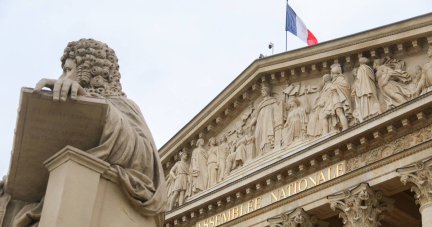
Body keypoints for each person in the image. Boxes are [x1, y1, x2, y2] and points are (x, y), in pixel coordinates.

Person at [14, 39, 167, 226]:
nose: (61, 78)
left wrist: (97, 108)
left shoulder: (121, 107)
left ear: (88, 74)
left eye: (68, 70)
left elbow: (145, 161)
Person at [320, 63, 352, 133]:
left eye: (331, 72)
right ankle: (326, 134)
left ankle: (345, 128)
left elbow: (345, 87)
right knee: (326, 115)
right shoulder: (333, 81)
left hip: (337, 99)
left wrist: (334, 87)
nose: (331, 74)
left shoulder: (340, 78)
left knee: (339, 112)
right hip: (332, 101)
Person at [250, 85, 278, 156]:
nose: (262, 92)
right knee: (259, 135)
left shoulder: (272, 101)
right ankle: (261, 151)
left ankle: (268, 149)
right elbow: (256, 117)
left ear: (268, 92)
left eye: (264, 91)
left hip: (268, 121)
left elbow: (278, 109)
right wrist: (251, 125)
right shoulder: (260, 105)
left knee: (266, 133)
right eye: (262, 91)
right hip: (260, 123)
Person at [351, 58, 381, 123]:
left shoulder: (361, 69)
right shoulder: (369, 69)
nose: (355, 73)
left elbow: (360, 82)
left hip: (364, 90)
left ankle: (366, 114)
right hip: (371, 88)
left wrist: (354, 89)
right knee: (372, 100)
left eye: (356, 72)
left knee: (366, 101)